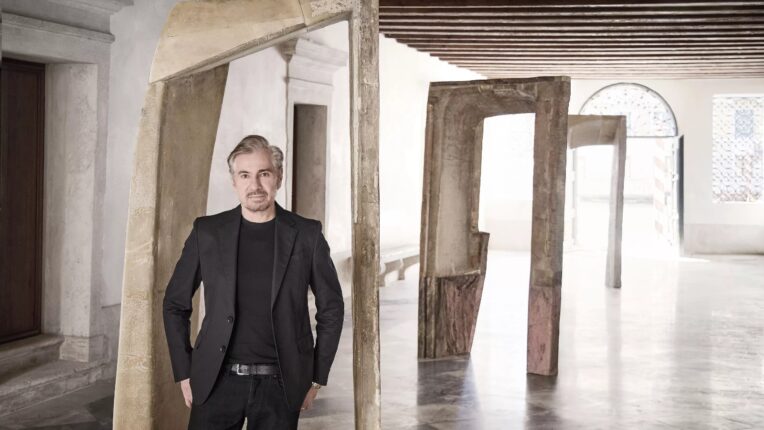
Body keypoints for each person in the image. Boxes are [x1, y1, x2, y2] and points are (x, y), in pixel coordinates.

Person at [163, 135, 344, 429]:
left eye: (264, 174)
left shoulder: (307, 235)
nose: (255, 185)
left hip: (281, 385)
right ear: (234, 181)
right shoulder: (207, 232)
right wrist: (184, 371)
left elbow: (332, 308)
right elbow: (175, 303)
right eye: (245, 175)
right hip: (215, 380)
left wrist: (316, 377)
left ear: (279, 177)